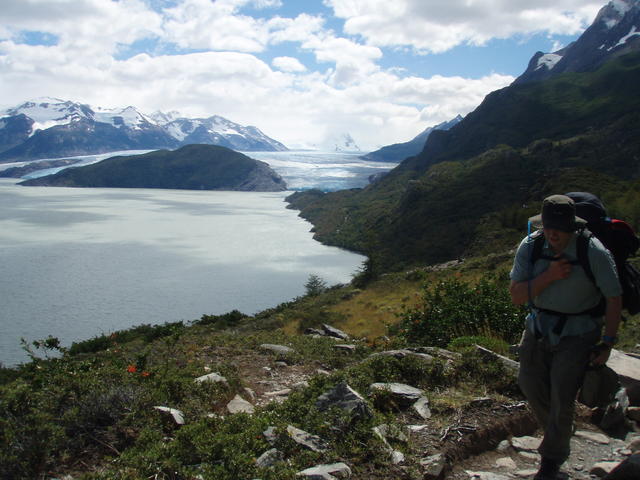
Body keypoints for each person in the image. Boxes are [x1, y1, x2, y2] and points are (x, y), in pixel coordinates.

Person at [509, 194, 622, 480]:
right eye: (549, 228)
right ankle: (561, 429)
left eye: (559, 228)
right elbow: (517, 296)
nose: (553, 234)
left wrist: (607, 342)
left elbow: (613, 297)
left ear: (572, 227)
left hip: (579, 332)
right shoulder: (531, 246)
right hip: (538, 327)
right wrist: (549, 276)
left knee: (562, 393)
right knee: (529, 382)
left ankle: (551, 459)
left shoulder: (592, 250)